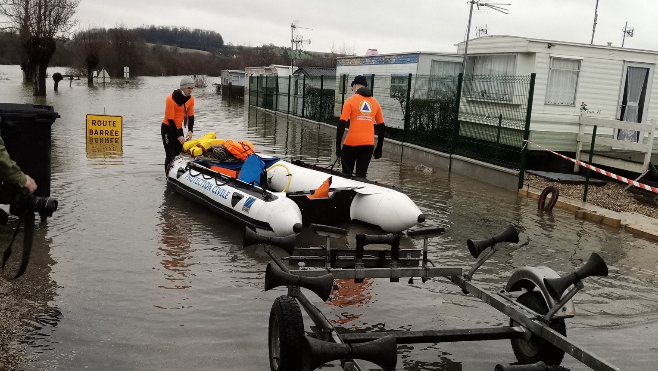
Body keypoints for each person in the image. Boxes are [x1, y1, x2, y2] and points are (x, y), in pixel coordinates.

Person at [335, 75, 385, 178]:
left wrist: (337, 146)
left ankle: (346, 193)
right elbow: (381, 126)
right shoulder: (375, 103)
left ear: (354, 85)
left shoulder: (350, 101)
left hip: (350, 145)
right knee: (361, 177)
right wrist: (379, 147)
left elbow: (342, 124)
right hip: (368, 146)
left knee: (346, 176)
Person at [161, 76, 196, 172]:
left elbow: (191, 116)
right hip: (168, 129)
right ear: (182, 88)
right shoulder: (170, 99)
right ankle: (168, 176)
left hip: (179, 128)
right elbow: (170, 119)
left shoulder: (191, 99)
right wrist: (178, 136)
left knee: (180, 153)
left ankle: (177, 173)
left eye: (192, 88)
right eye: (189, 88)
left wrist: (190, 130)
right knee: (170, 154)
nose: (191, 90)